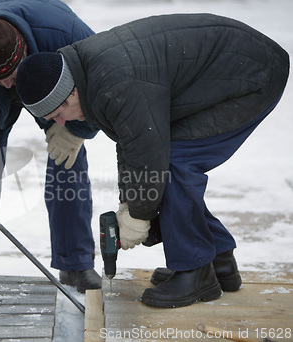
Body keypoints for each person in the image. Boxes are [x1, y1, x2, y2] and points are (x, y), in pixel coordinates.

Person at [15, 13, 289, 308]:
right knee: (164, 161)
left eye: (59, 112)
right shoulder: (92, 76)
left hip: (252, 74)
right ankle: (218, 260)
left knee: (174, 163)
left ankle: (196, 272)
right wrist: (128, 202)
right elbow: (132, 142)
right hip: (230, 68)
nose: (61, 123)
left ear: (71, 91)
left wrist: (138, 213)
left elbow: (148, 153)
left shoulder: (113, 81)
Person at [0, 0, 102, 293]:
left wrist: (78, 129)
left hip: (50, 75)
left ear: (22, 49)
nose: (6, 86)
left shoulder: (66, 34)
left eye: (9, 77)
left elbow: (102, 83)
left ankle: (76, 263)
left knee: (68, 160)